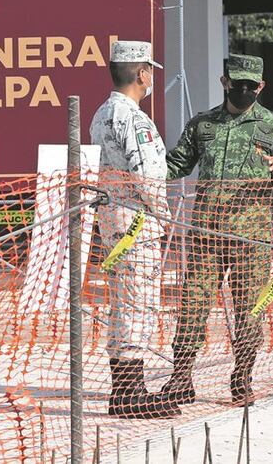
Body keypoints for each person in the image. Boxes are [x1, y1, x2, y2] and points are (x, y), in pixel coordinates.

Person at [162, 54, 273, 406]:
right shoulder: (203, 125)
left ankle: (242, 378)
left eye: (251, 86)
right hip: (206, 235)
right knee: (192, 307)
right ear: (224, 81)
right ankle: (181, 379)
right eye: (237, 83)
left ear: (260, 87)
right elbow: (175, 165)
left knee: (249, 310)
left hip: (251, 238)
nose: (243, 90)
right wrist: (132, 168)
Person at [89, 40, 180, 419]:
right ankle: (129, 393)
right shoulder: (135, 119)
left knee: (124, 302)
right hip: (138, 222)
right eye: (150, 71)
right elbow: (148, 178)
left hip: (114, 219)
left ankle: (126, 389)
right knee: (138, 302)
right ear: (141, 73)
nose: (151, 78)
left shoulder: (101, 114)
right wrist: (167, 218)